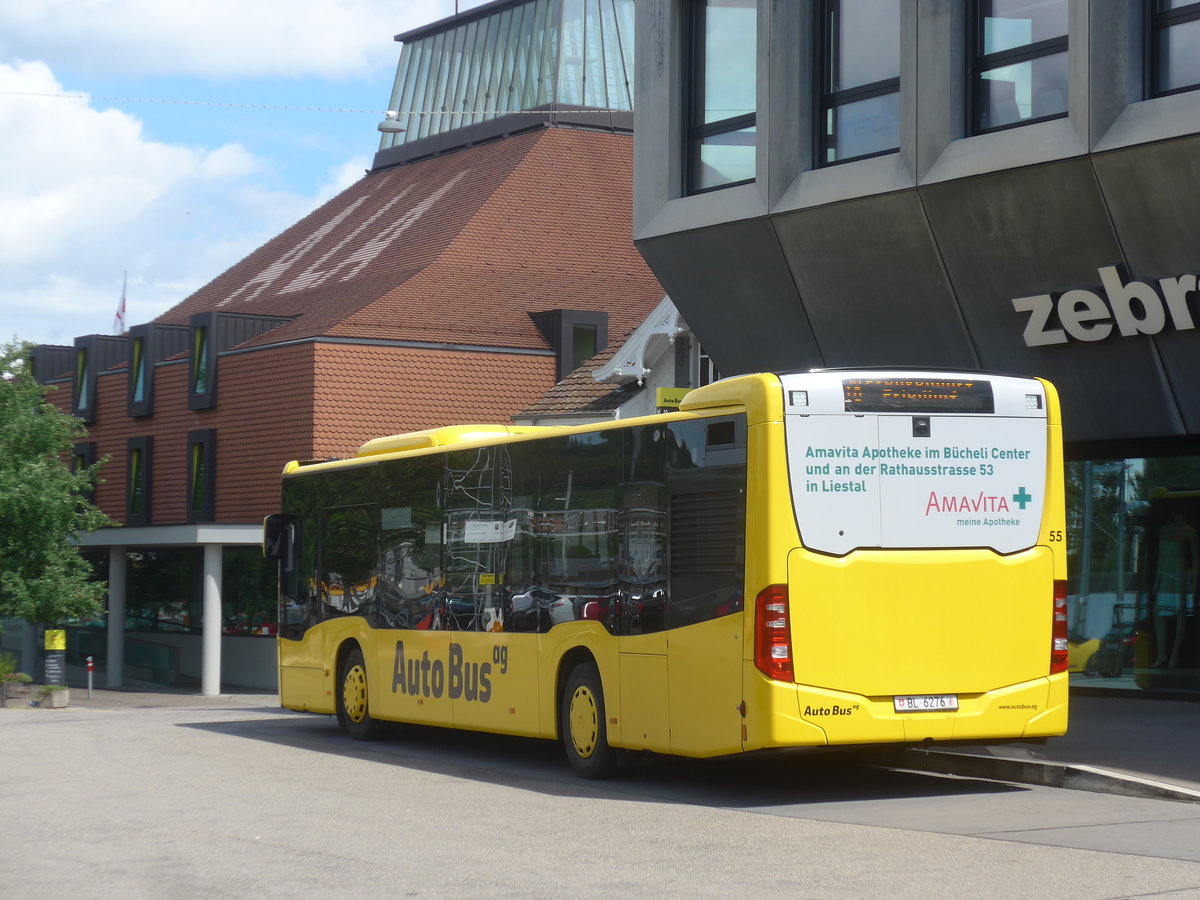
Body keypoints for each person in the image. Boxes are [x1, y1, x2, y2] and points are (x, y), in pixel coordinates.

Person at [1153, 514, 1197, 668]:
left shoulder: (1190, 532)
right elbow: (1160, 557)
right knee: (1157, 612)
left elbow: (1197, 558)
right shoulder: (1164, 530)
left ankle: (1174, 656)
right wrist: (1157, 581)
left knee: (1180, 613)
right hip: (1165, 574)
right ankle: (1162, 654)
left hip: (1180, 574)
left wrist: (1196, 582)